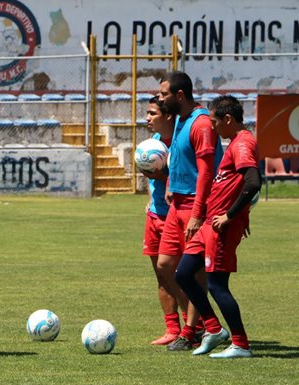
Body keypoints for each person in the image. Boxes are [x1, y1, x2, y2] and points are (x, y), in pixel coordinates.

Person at [175, 95, 260, 358]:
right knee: (184, 273)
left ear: (228, 119)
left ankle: (241, 344)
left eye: (215, 122)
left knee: (216, 285)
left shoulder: (243, 143)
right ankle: (213, 329)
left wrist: (231, 216)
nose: (213, 127)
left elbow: (253, 182)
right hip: (210, 224)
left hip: (221, 226)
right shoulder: (234, 142)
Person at [157, 71, 223, 351]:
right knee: (164, 265)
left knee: (194, 274)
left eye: (164, 94)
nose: (160, 99)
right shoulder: (180, 121)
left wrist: (198, 214)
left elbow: (207, 171)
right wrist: (171, 183)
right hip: (177, 204)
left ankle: (190, 331)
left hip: (198, 206)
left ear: (180, 95)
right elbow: (175, 157)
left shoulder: (201, 123)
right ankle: (201, 323)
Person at [141, 96, 179, 345]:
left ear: (167, 116)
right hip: (154, 215)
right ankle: (172, 329)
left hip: (176, 217)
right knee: (161, 275)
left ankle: (194, 327)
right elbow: (150, 177)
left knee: (181, 275)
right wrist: (149, 200)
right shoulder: (152, 143)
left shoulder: (179, 143)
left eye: (152, 113)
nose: (147, 118)